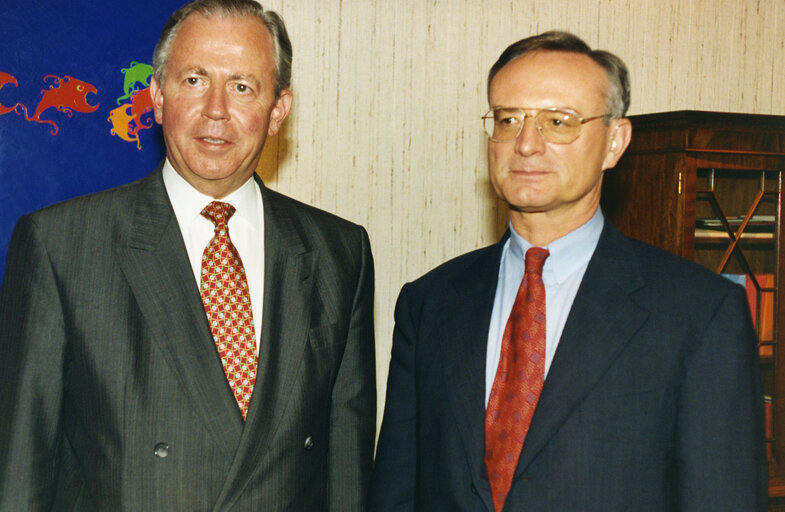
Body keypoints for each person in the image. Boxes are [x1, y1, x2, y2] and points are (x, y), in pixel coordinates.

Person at [0, 0, 375, 509]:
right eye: (195, 80)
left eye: (242, 87)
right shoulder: (60, 246)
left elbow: (347, 476)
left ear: (278, 111)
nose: (216, 109)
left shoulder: (339, 253)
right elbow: (20, 475)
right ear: (156, 97)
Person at [370, 31, 765, 511]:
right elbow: (395, 492)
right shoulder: (429, 302)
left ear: (614, 142)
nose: (527, 144)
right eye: (508, 119)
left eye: (559, 122)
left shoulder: (698, 313)